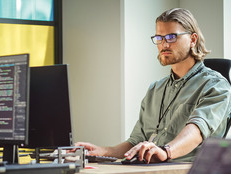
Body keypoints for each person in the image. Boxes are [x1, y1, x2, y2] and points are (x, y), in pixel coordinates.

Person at [75, 8, 231, 163]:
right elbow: (136, 141)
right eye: (159, 38)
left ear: (192, 39)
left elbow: (197, 131)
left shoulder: (216, 86)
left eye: (171, 37)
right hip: (149, 169)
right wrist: (102, 151)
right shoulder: (155, 89)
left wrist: (166, 151)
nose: (164, 44)